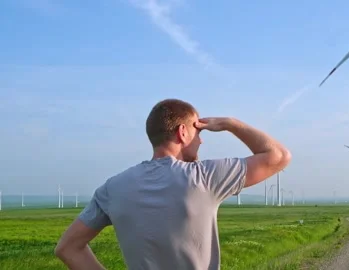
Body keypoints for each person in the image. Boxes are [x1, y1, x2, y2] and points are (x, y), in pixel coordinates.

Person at [54, 98, 291, 270]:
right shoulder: (204, 177)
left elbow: (67, 248)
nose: (201, 140)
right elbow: (278, 156)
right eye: (198, 131)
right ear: (183, 133)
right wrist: (231, 123)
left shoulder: (112, 189)